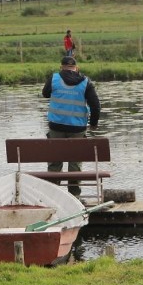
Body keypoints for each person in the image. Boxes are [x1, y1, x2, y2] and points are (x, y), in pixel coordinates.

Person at [41, 56, 101, 197]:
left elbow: (45, 94)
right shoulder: (86, 82)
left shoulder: (54, 78)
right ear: (76, 67)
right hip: (77, 129)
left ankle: (53, 196)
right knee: (75, 164)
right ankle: (75, 196)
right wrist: (93, 123)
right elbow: (96, 106)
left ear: (61, 67)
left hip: (56, 127)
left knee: (55, 163)